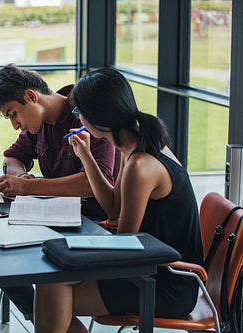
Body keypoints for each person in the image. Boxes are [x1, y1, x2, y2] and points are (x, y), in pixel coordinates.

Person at [35, 67, 203, 333]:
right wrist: (86, 156)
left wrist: (75, 257)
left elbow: (125, 242)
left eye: (79, 113)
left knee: (52, 291)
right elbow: (113, 206)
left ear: (97, 116)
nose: (77, 119)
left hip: (166, 283)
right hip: (153, 267)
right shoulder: (136, 146)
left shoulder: (140, 165)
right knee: (52, 285)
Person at [0, 64, 120, 321]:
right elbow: (13, 157)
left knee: (29, 273)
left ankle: (45, 316)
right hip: (57, 223)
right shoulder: (39, 124)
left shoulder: (87, 113)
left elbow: (95, 182)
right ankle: (45, 317)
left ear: (32, 97)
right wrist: (20, 175)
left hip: (95, 228)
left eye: (14, 114)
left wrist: (29, 187)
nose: (15, 125)